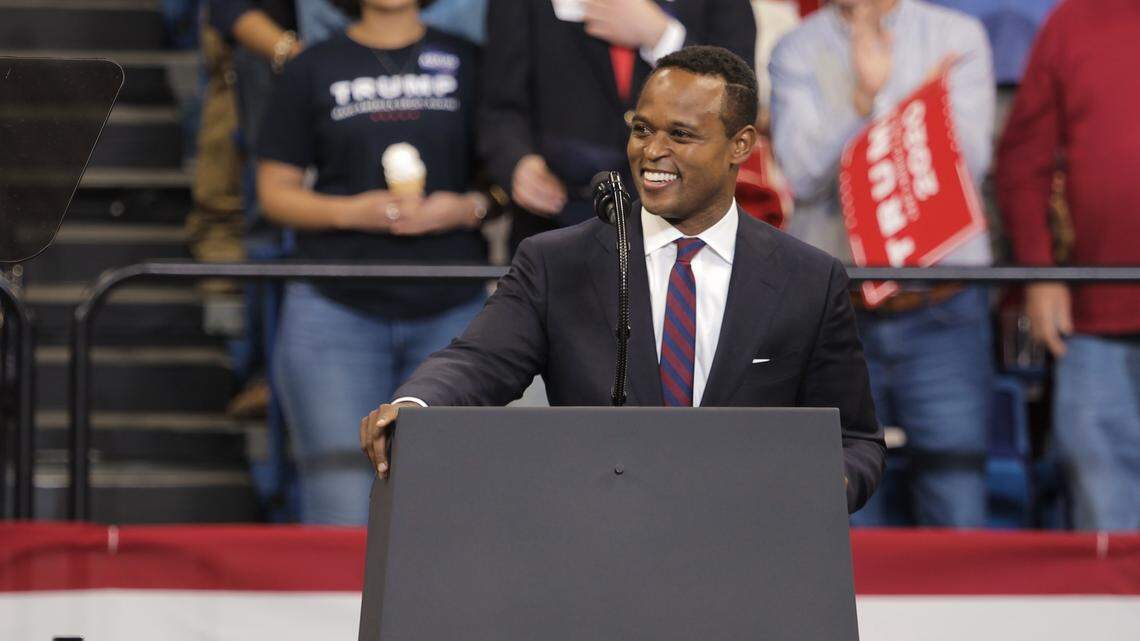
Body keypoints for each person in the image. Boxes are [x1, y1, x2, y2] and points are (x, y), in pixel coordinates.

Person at [361, 46, 887, 513]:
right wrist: (415, 408)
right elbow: (476, 362)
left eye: (680, 134)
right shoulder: (557, 261)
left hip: (748, 557)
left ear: (740, 145)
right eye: (642, 129)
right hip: (598, 552)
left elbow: (856, 440)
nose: (652, 152)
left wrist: (820, 488)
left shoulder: (808, 280)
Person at [256, 0, 497, 524]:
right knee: (341, 499)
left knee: (453, 503)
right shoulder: (312, 66)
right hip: (333, 309)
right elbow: (275, 193)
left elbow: (500, 178)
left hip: (453, 311)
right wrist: (352, 212)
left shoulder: (469, 59)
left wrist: (466, 208)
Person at [769, 0, 996, 527]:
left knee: (957, 496)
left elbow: (965, 166)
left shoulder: (957, 35)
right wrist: (864, 98)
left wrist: (882, 97)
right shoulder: (796, 49)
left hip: (942, 307)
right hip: (838, 316)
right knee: (844, 506)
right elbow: (801, 176)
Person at [996, 0, 1140, 531]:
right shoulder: (1074, 21)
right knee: (1106, 518)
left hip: (1094, 310)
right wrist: (1040, 271)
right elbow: (1023, 157)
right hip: (1094, 315)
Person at [481, 0, 758, 253]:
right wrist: (517, 162)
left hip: (686, 224)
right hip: (558, 223)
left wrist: (662, 37)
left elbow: (739, 96)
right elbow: (498, 104)